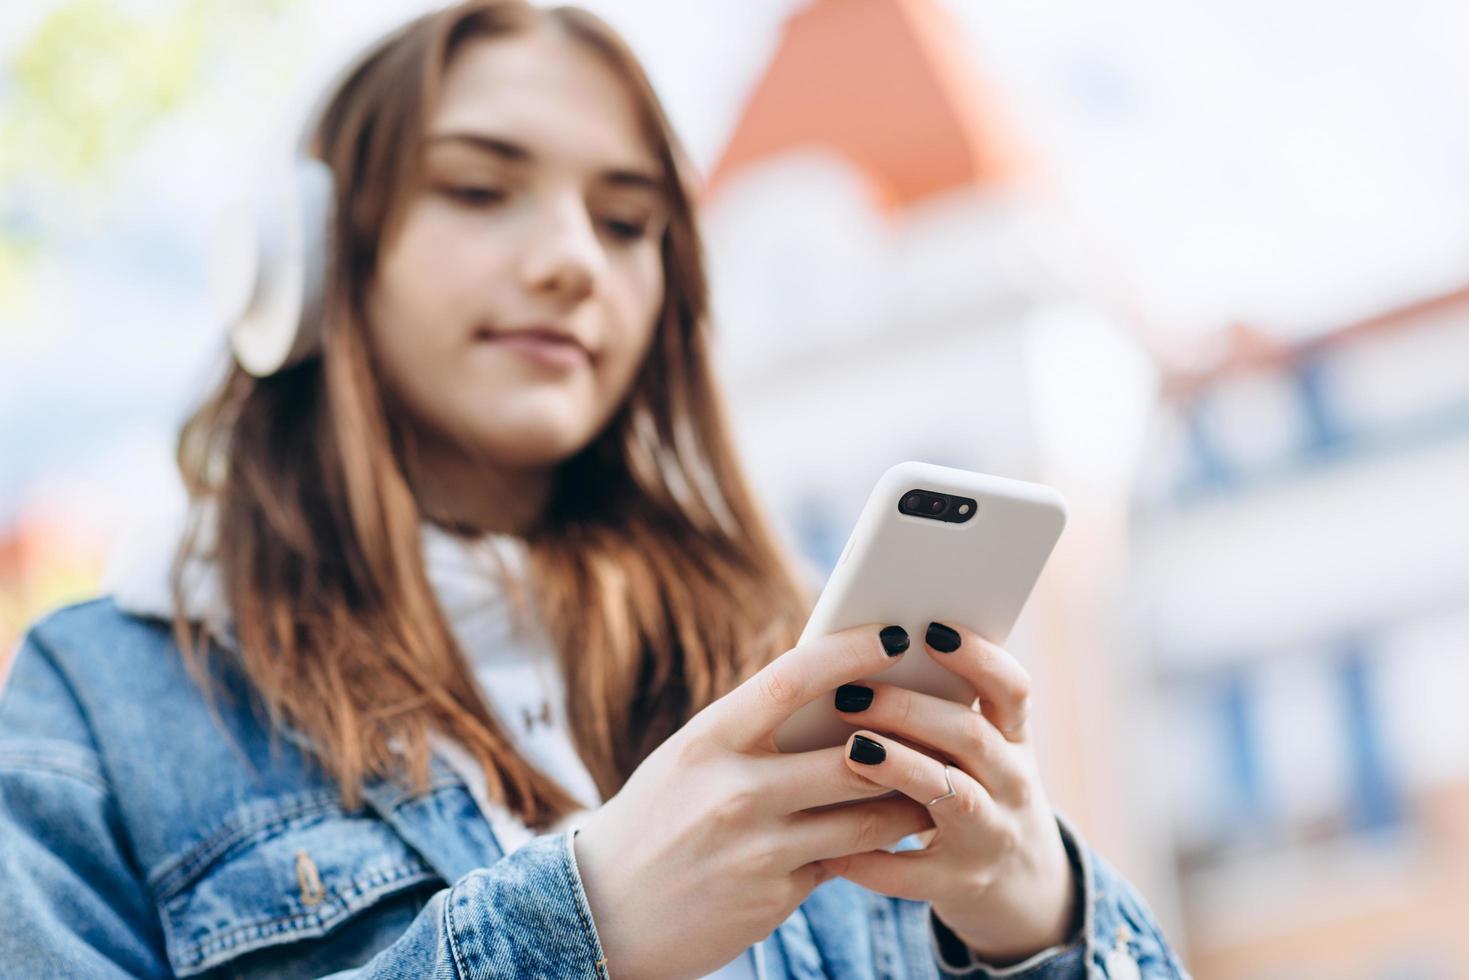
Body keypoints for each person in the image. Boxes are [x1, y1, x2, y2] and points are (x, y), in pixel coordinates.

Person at [0, 2, 1190, 977]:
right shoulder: (107, 698)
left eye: (626, 222)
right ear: (307, 261)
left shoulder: (784, 675)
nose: (572, 258)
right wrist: (588, 921)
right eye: (478, 188)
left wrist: (1037, 913)